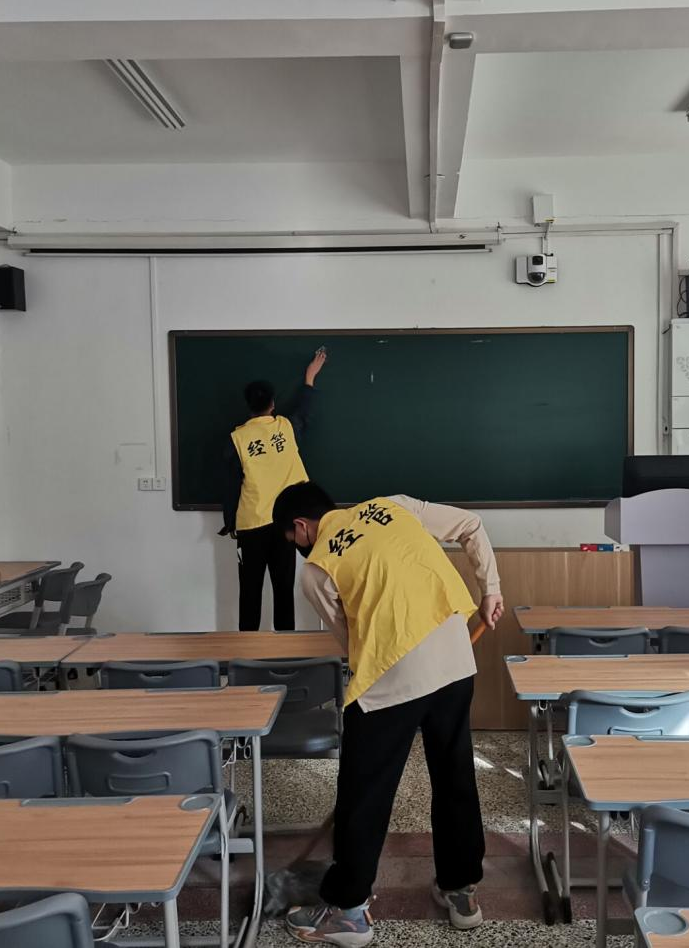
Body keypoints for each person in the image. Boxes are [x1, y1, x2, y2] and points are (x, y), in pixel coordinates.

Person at [271, 482, 504, 947]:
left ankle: (349, 913)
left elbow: (353, 644)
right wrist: (490, 591)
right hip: (456, 657)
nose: (296, 546)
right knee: (455, 775)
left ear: (301, 526)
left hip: (392, 676)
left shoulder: (316, 570)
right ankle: (460, 890)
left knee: (364, 793)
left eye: (291, 538)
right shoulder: (392, 506)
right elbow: (471, 524)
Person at [221, 349, 328, 630]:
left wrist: (230, 522)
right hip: (286, 525)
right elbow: (305, 411)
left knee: (249, 593)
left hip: (251, 526)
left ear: (249, 405)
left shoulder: (237, 438)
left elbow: (231, 486)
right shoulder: (286, 428)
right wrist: (309, 378)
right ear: (272, 403)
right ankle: (286, 650)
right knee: (283, 591)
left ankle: (247, 649)